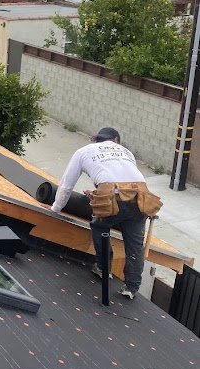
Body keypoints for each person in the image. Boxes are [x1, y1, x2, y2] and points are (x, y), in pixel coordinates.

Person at [51, 127, 161, 299]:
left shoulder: (84, 151)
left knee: (100, 226)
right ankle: (131, 288)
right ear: (115, 140)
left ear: (98, 139)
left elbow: (67, 185)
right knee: (134, 246)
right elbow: (125, 181)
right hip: (141, 199)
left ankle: (103, 269)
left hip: (113, 197)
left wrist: (56, 208)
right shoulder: (126, 152)